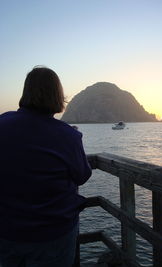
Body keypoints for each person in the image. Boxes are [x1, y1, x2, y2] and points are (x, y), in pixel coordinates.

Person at [0, 66, 92, 267]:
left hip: (6, 231)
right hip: (52, 234)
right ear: (57, 96)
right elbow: (82, 175)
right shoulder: (69, 136)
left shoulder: (2, 123)